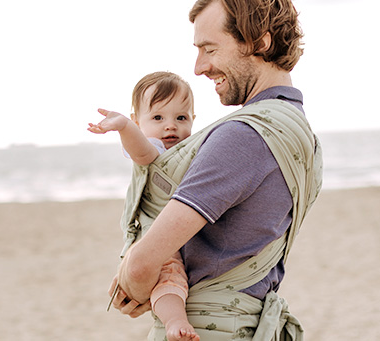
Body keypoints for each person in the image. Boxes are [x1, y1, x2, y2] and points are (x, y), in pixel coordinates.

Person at [109, 0, 323, 340]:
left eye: (209, 49)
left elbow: (141, 265)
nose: (198, 68)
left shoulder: (243, 136)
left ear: (259, 42)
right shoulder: (303, 136)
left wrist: (132, 283)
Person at [88, 71, 201, 341]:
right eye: (158, 118)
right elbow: (142, 153)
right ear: (140, 122)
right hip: (156, 235)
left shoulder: (191, 150)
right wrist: (125, 128)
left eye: (181, 118)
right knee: (168, 276)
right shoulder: (152, 148)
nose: (170, 126)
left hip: (185, 232)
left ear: (193, 120)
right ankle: (175, 321)